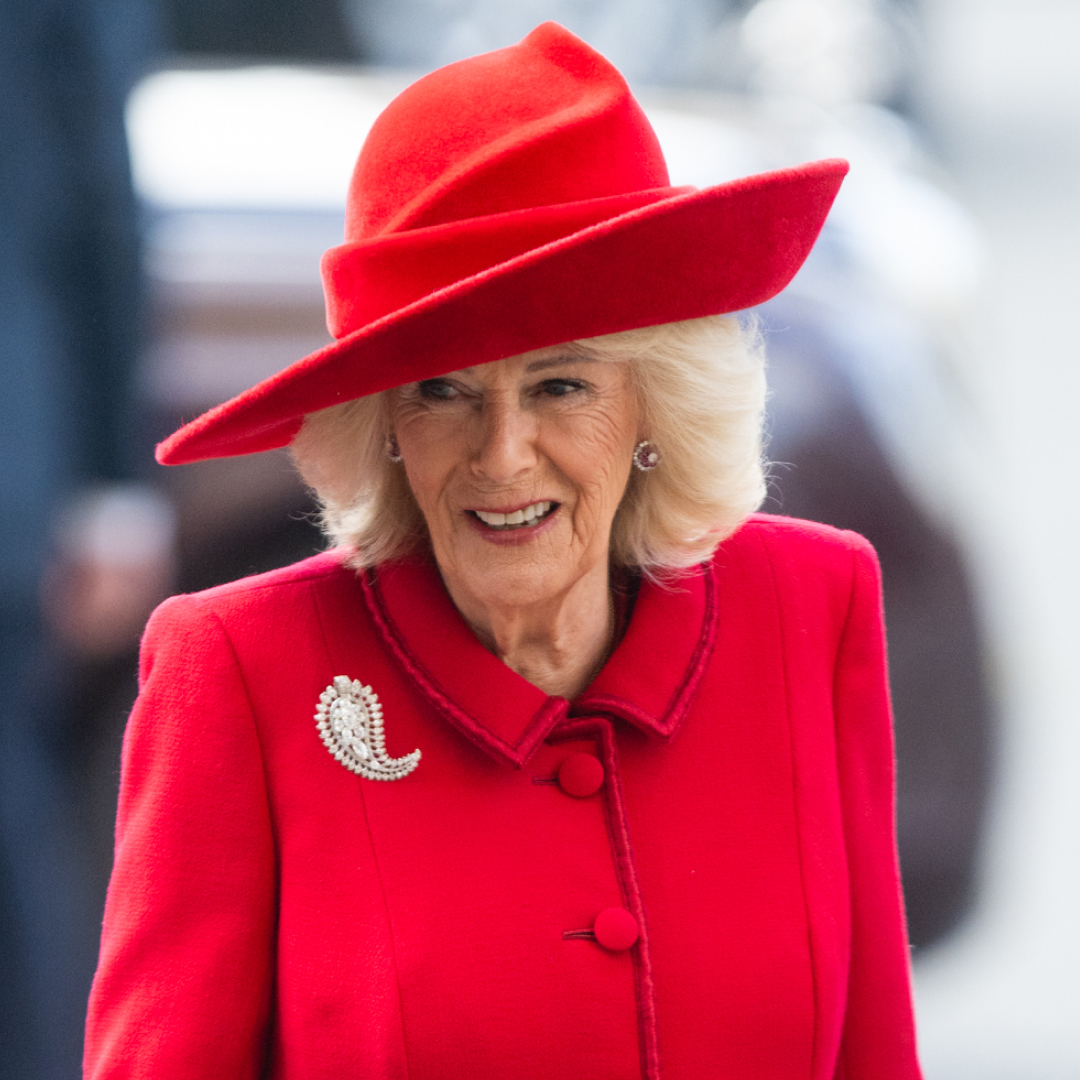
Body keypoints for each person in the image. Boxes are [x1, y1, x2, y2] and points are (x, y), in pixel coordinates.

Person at [84, 22, 922, 1079]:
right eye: (442, 392)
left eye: (560, 386)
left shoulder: (810, 606)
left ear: (655, 404)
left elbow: (875, 1052)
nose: (502, 455)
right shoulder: (246, 671)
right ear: (384, 425)